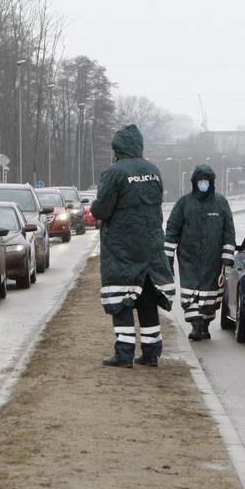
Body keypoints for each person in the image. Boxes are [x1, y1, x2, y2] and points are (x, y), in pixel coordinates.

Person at [90, 124, 177, 368]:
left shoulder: (114, 172)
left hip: (122, 248)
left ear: (117, 147)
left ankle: (124, 353)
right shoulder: (153, 171)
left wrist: (96, 211)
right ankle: (151, 353)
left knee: (121, 300)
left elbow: (103, 209)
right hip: (150, 247)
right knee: (148, 299)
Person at [165, 164, 235, 340]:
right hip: (189, 258)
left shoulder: (221, 203)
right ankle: (195, 325)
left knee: (210, 297)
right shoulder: (184, 203)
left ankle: (205, 324)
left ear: (211, 183)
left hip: (213, 260)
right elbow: (172, 229)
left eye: (206, 181)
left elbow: (229, 232)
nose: (203, 184)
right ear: (194, 183)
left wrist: (227, 259)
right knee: (190, 295)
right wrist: (168, 256)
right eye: (200, 181)